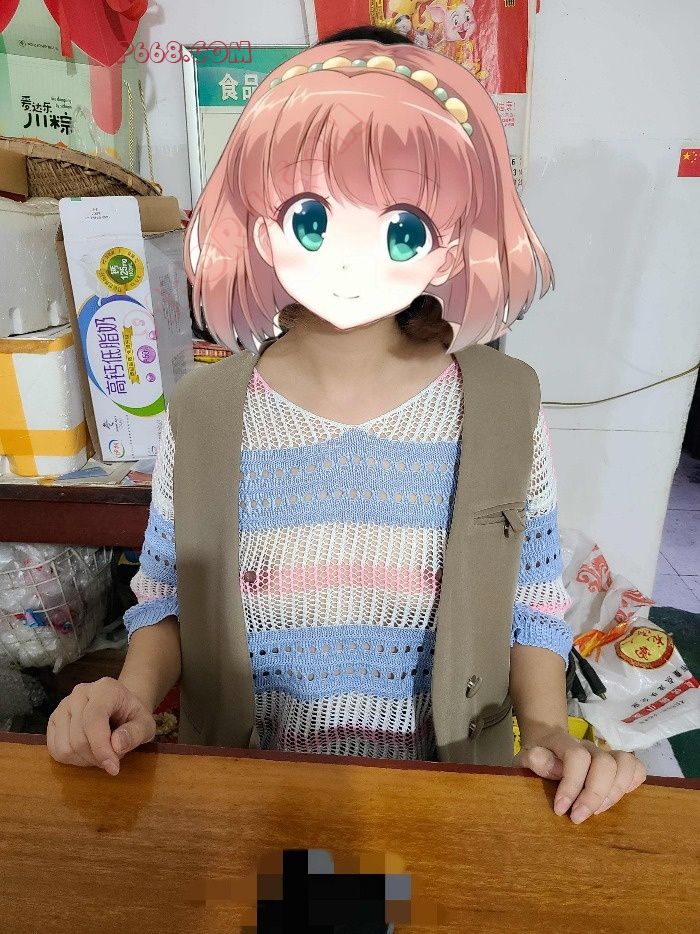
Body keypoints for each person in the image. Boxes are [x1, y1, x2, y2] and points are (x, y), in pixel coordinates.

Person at [47, 26, 646, 824]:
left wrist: (545, 729)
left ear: (449, 242)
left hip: (448, 800)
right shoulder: (206, 412)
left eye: (402, 227)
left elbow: (531, 597)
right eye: (313, 216)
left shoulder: (505, 405)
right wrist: (128, 691)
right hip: (248, 798)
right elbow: (168, 596)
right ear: (262, 222)